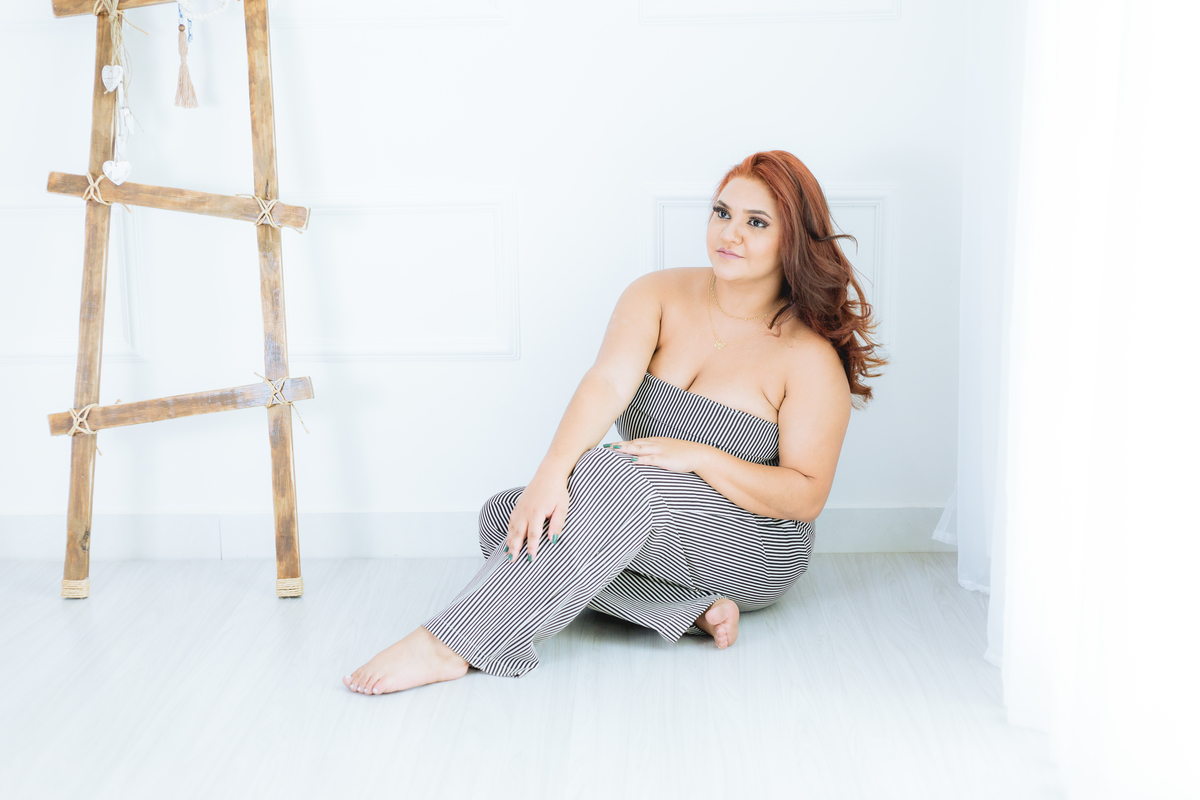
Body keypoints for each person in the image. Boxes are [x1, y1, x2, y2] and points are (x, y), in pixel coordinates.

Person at [344, 150, 885, 694]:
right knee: (509, 515)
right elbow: (606, 383)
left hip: (755, 542)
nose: (730, 233)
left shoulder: (808, 358)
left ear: (793, 240)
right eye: (722, 212)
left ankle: (449, 644)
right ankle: (683, 609)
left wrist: (702, 458)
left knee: (607, 479)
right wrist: (551, 473)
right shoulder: (658, 293)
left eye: (757, 222)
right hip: (638, 513)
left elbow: (806, 495)